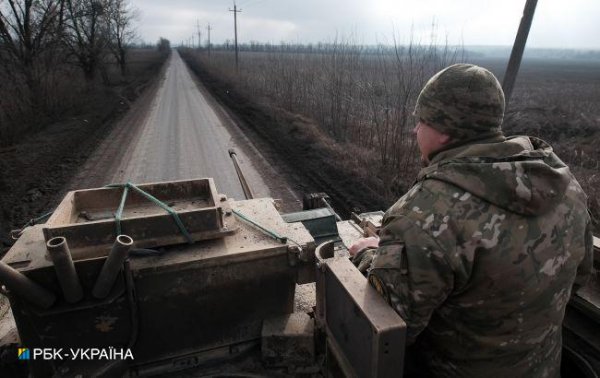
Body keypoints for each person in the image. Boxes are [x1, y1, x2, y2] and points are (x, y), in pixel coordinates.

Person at [350, 63, 593, 377]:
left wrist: (369, 254)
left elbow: (393, 327)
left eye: (421, 120)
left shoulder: (422, 216)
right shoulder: (566, 187)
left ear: (445, 130)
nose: (414, 130)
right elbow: (579, 277)